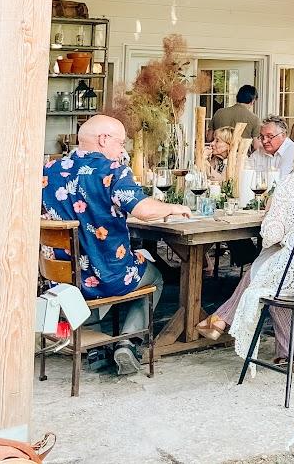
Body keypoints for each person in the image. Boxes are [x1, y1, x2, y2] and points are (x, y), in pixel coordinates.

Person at [41, 114, 190, 375]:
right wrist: (175, 207)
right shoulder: (112, 171)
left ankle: (97, 346)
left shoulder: (49, 171)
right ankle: (128, 342)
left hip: (61, 278)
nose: (122, 150)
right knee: (154, 277)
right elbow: (143, 210)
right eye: (120, 143)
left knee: (92, 274)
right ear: (103, 139)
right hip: (108, 275)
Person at [196, 133, 294, 373]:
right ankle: (287, 353)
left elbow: (270, 235)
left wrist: (271, 209)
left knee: (268, 278)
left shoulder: (292, 183)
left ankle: (291, 353)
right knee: (269, 269)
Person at [251, 116, 294, 181]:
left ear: (283, 135)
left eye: (270, 136)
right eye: (262, 136)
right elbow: (249, 174)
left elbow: (282, 181)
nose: (264, 141)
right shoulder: (259, 151)